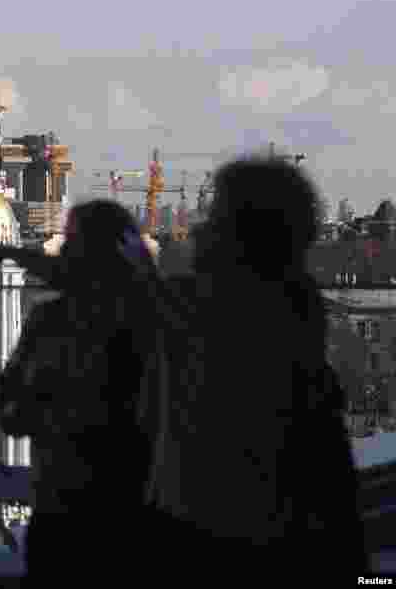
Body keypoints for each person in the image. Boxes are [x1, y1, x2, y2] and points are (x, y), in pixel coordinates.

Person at [151, 157, 368, 579]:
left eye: (215, 217)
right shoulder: (297, 308)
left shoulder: (203, 309)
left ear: (240, 235)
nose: (199, 228)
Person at [0, 199, 162, 582]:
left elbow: (11, 412)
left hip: (62, 511)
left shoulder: (50, 321)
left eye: (72, 242)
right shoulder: (157, 319)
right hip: (137, 516)